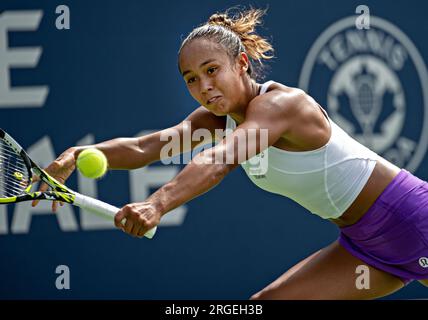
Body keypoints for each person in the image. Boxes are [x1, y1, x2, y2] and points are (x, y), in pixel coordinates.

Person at [32, 7, 428, 299]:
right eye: (191, 79)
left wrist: (156, 204)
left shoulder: (279, 106)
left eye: (211, 70)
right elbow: (146, 146)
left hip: (416, 221)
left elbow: (219, 160)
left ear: (240, 64)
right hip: (364, 247)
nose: (203, 86)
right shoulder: (215, 120)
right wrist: (74, 154)